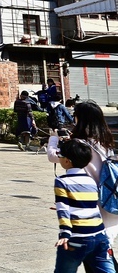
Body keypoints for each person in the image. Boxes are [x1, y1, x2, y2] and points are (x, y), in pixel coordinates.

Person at [48, 100, 118, 242]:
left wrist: (54, 138)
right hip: (111, 196)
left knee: (99, 253)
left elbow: (54, 156)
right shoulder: (105, 140)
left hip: (92, 200)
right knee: (103, 249)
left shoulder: (79, 144)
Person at [51, 137, 116, 273]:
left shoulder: (62, 181)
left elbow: (63, 209)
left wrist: (65, 234)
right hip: (99, 235)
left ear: (67, 161)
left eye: (60, 155)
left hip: (76, 237)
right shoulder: (91, 181)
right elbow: (89, 204)